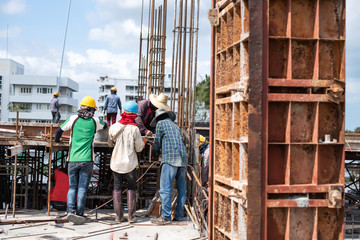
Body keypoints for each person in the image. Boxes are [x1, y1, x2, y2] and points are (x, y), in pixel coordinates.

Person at [55, 96, 107, 225]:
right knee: (82, 188)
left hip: (73, 159)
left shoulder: (73, 119)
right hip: (88, 160)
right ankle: (79, 213)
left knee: (72, 187)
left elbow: (59, 131)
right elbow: (105, 125)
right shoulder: (95, 121)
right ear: (93, 109)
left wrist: (57, 140)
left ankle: (70, 212)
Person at [108, 101, 146, 223]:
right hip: (130, 163)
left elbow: (110, 144)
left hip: (116, 163)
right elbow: (139, 148)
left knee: (117, 188)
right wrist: (144, 142)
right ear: (134, 114)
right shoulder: (135, 129)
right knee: (131, 188)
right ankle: (131, 217)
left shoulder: (114, 127)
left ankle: (119, 217)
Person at [150, 109, 187, 225]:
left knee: (165, 189)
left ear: (158, 119)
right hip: (183, 160)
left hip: (170, 159)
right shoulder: (176, 126)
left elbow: (157, 143)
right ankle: (180, 215)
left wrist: (155, 155)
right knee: (181, 189)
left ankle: (166, 216)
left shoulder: (160, 124)